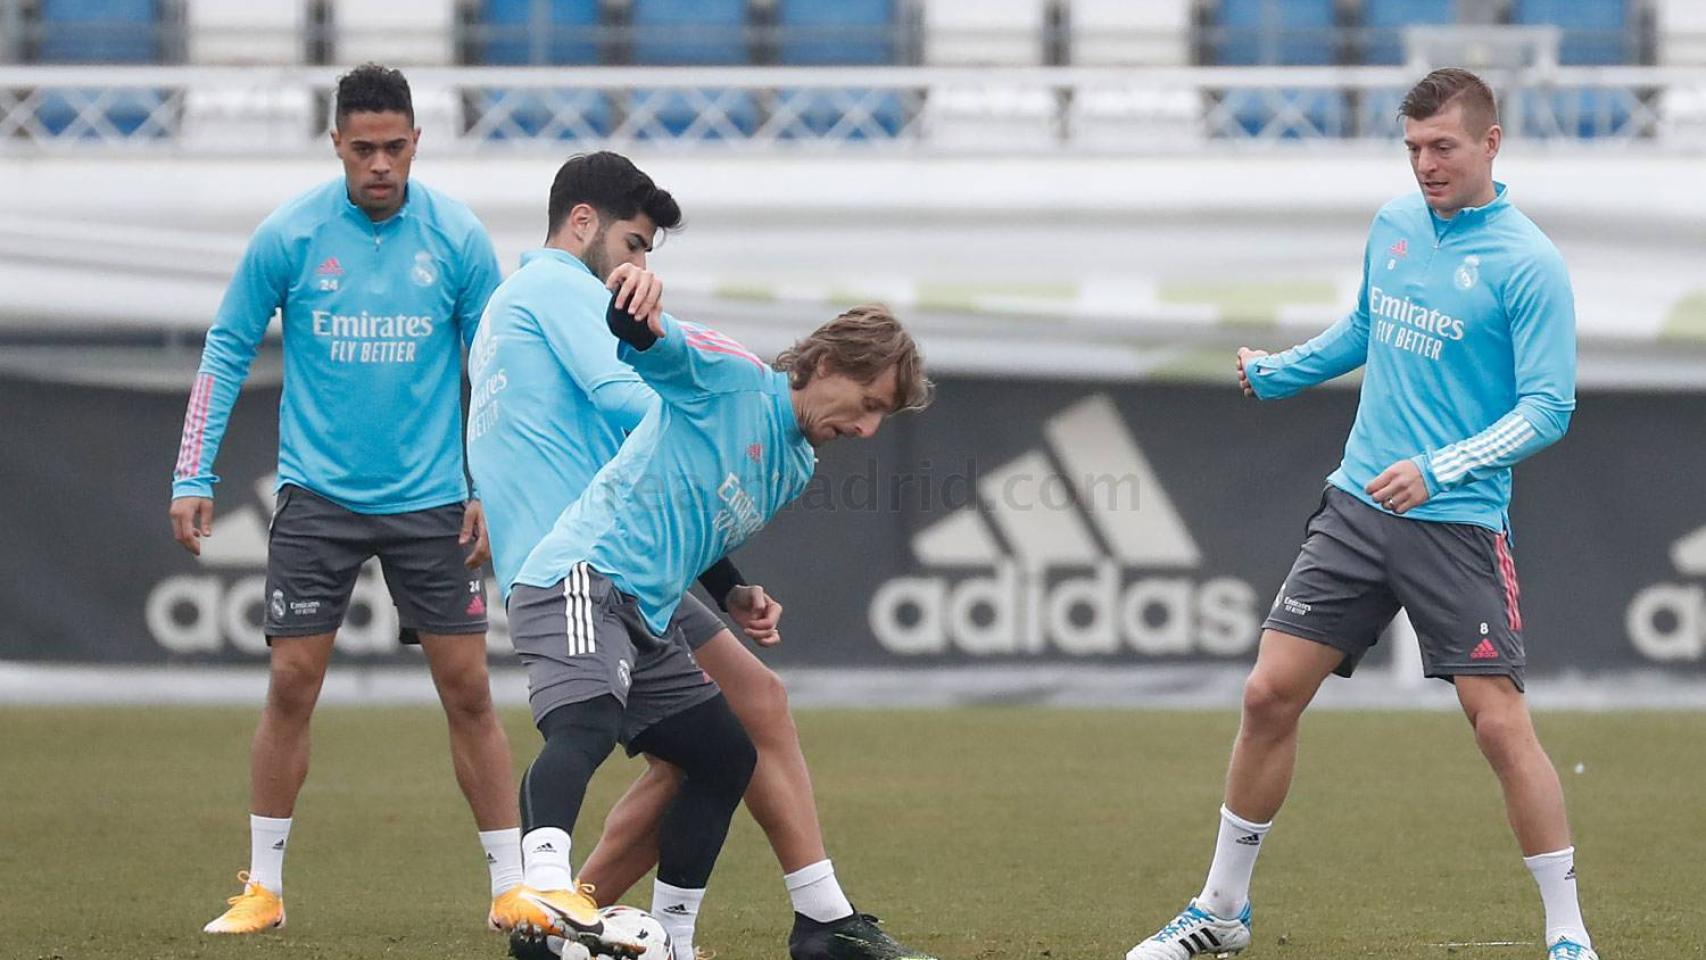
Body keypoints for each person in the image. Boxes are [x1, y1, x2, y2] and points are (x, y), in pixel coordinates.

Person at [1125, 68, 1594, 960]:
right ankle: (1221, 912)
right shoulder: (1394, 226)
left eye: (1442, 147)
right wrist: (1281, 370)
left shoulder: (1528, 262)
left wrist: (1440, 467)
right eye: (1413, 147)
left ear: (1490, 143)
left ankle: (1568, 937)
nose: (1424, 164)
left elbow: (1548, 408)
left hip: (1456, 520)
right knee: (1267, 694)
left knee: (1498, 724)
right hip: (1357, 504)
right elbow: (1367, 327)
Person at [466, 151, 937, 960]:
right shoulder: (561, 289)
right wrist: (641, 314)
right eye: (637, 245)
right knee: (609, 722)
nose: (641, 262)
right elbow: (645, 378)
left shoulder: (792, 460)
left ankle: (640, 934)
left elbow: (691, 485)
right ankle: (547, 888)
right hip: (581, 563)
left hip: (639, 583)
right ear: (585, 224)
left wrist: (731, 585)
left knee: (722, 749)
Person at [169, 63, 528, 935]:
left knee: (470, 691)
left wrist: (488, 484)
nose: (379, 164)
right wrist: (192, 473)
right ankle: (263, 890)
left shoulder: (457, 238)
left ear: (416, 143)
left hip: (432, 502)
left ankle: (512, 889)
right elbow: (224, 350)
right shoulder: (290, 236)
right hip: (318, 497)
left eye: (394, 147)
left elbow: (499, 371)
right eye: (362, 148)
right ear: (335, 143)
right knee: (291, 684)